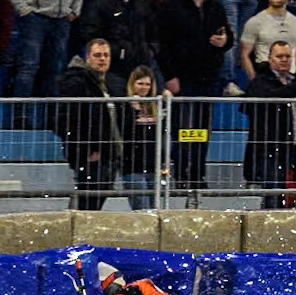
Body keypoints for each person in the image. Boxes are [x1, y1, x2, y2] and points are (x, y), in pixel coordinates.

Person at [156, 0, 232, 191]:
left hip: (208, 78)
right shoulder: (171, 8)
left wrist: (225, 41)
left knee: (203, 130)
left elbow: (228, 36)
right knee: (182, 128)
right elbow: (162, 45)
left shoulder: (215, 7)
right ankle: (182, 174)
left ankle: (198, 174)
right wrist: (170, 76)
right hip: (183, 77)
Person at [240, 41, 296, 208]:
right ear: (270, 59)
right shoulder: (260, 82)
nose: (284, 60)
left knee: (291, 197)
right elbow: (273, 100)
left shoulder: (295, 81)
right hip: (270, 149)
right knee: (273, 196)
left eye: (288, 56)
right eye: (280, 56)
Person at [57, 38, 126, 210]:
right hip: (90, 155)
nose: (102, 59)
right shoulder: (75, 82)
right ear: (88, 57)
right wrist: (87, 150)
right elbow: (65, 120)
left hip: (111, 154)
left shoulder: (113, 84)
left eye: (106, 55)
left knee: (98, 200)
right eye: (97, 55)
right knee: (87, 202)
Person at [9, 0, 79, 101]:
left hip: (62, 20)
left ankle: (52, 114)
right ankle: (22, 115)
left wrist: (74, 11)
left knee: (56, 69)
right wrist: (22, 7)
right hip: (34, 17)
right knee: (29, 67)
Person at [78, 0, 159, 84]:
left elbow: (154, 34)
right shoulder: (99, 5)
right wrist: (115, 52)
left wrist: (149, 52)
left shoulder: (143, 5)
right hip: (114, 70)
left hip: (143, 66)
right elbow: (91, 34)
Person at [121, 65, 159, 210]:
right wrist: (135, 110)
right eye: (140, 83)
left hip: (152, 166)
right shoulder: (125, 106)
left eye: (147, 84)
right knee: (142, 210)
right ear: (132, 84)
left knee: (154, 210)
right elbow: (126, 133)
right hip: (132, 166)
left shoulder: (154, 106)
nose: (144, 88)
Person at [239, 0, 296, 82]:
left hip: (291, 77)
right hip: (265, 77)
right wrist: (254, 81)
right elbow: (244, 55)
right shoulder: (255, 22)